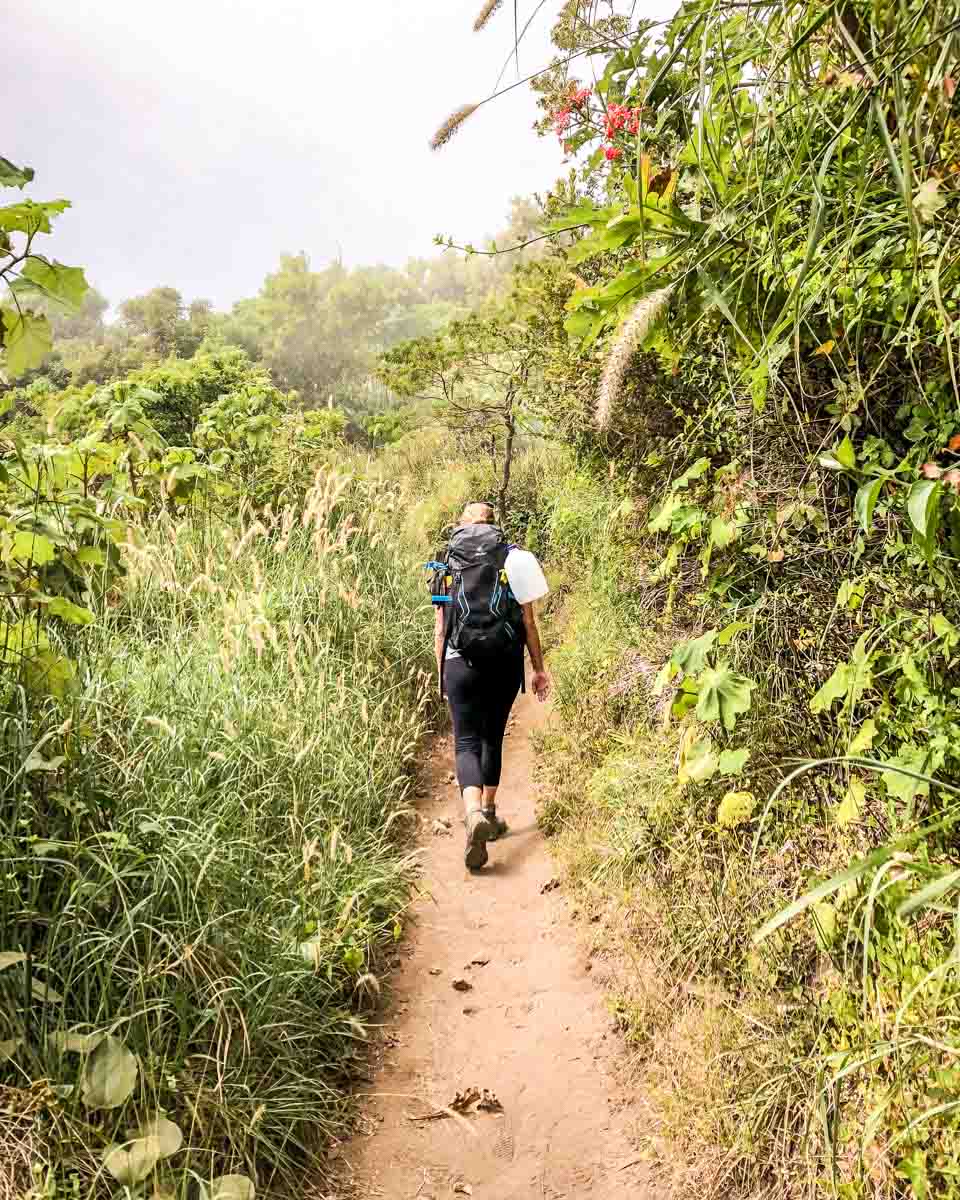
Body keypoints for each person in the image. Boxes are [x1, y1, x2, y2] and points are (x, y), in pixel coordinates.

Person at [433, 501, 550, 871]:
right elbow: (529, 622)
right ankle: (489, 811)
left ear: (462, 525)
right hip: (503, 660)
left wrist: (441, 673)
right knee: (491, 738)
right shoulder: (515, 557)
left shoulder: (445, 561)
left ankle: (472, 815)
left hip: (459, 659)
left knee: (465, 740)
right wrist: (538, 668)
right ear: (494, 524)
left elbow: (441, 626)